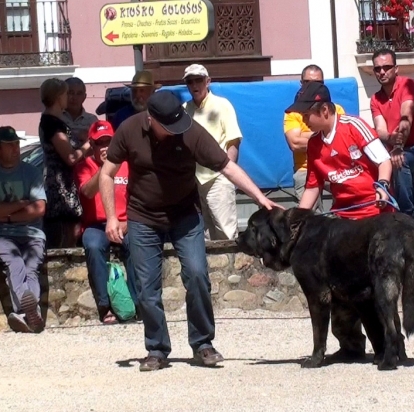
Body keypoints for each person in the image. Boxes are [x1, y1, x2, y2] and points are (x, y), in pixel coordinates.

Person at [99, 90, 282, 372]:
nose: (175, 131)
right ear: (151, 119)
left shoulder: (190, 132)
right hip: (143, 217)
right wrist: (112, 217)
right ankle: (157, 349)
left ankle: (203, 344)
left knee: (197, 275)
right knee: (147, 289)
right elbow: (107, 173)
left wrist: (260, 197)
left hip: (185, 214)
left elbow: (227, 167)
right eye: (168, 127)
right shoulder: (130, 129)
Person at [286, 81, 393, 360]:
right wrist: (296, 221)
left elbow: (384, 161)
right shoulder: (314, 145)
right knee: (343, 292)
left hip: (373, 221)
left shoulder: (353, 126)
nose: (303, 120)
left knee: (377, 291)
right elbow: (313, 187)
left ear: (324, 110)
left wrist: (382, 184)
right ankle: (351, 346)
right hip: (343, 224)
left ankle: (392, 347)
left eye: (306, 114)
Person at [74, 120, 138, 324]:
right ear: (92, 146)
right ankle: (105, 306)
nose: (105, 147)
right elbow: (87, 191)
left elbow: (138, 197)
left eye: (108, 142)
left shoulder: (129, 165)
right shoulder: (84, 166)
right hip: (96, 225)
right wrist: (106, 168)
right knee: (93, 246)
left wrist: (128, 222)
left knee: (137, 245)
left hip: (125, 223)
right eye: (99, 143)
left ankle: (137, 304)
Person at [370, 48, 414, 219]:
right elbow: (380, 130)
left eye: (386, 67)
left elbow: (407, 117)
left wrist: (398, 146)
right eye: (377, 69)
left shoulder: (408, 85)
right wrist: (391, 139)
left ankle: (407, 217)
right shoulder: (375, 99)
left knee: (400, 161)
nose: (382, 71)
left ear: (396, 69)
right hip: (392, 150)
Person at [182, 64, 241, 240]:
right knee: (205, 235)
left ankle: (231, 269)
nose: (194, 85)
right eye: (190, 81)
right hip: (195, 181)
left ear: (208, 81)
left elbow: (233, 140)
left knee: (226, 232)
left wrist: (227, 174)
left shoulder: (222, 105)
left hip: (218, 178)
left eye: (198, 80)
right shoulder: (185, 108)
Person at [0, 126, 46, 333]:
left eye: (16, 144)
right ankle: (30, 312)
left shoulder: (31, 172)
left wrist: (7, 216)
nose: (15, 148)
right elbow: (29, 206)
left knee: (31, 268)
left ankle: (23, 313)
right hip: (4, 236)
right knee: (15, 262)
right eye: (9, 145)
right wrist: (22, 203)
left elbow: (39, 208)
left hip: (32, 234)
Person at [283, 64, 346, 211]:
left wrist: (305, 135)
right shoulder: (292, 111)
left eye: (317, 83)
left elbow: (341, 139)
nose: (312, 86)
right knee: (311, 222)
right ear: (301, 83)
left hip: (334, 167)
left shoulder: (336, 109)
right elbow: (295, 143)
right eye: (308, 82)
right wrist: (324, 133)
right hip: (305, 170)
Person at [39, 78, 92, 248]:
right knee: (65, 237)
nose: (68, 98)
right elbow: (70, 158)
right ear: (58, 97)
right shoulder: (52, 123)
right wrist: (89, 144)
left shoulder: (53, 120)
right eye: (65, 94)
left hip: (66, 184)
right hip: (60, 188)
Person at [63, 77, 98, 145]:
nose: (74, 97)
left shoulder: (91, 120)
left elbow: (98, 145)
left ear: (84, 97)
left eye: (79, 93)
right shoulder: (56, 118)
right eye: (71, 93)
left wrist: (87, 139)